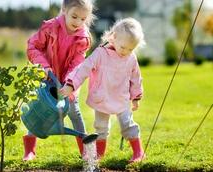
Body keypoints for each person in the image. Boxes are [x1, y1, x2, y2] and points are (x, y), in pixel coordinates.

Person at [60, 17, 146, 164]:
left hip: (121, 97)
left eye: (131, 49)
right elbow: (83, 69)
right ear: (114, 37)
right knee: (100, 126)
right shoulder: (100, 54)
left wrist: (136, 97)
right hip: (102, 96)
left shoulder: (131, 59)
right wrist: (71, 85)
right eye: (123, 47)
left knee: (127, 123)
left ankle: (138, 152)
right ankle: (99, 154)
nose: (126, 52)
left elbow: (136, 78)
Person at [22, 0, 96, 161]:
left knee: (74, 112)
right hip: (46, 79)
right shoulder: (50, 27)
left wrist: (70, 85)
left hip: (69, 82)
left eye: (83, 19)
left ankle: (86, 152)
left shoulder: (83, 38)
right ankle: (30, 152)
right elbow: (32, 47)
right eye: (74, 17)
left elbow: (77, 65)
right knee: (39, 110)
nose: (78, 22)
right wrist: (43, 66)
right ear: (64, 10)